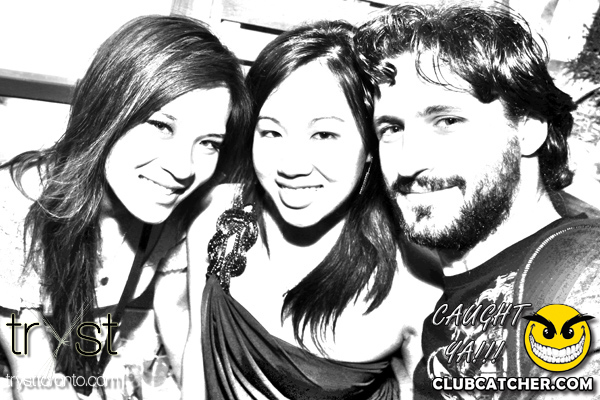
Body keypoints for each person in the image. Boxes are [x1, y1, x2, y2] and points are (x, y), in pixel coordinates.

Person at [165, 20, 441, 399]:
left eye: (324, 134)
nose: (291, 165)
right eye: (272, 132)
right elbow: (198, 353)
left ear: (371, 148)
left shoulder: (417, 282)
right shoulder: (216, 216)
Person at [355, 4, 600, 399]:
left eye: (447, 121)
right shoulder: (445, 297)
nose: (407, 162)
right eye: (392, 129)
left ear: (528, 130)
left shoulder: (580, 270)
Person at [0, 14, 249, 399]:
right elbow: (33, 370)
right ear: (106, 111)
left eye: (209, 143)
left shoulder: (179, 213)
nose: (183, 169)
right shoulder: (17, 201)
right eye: (162, 126)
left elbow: (177, 325)